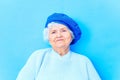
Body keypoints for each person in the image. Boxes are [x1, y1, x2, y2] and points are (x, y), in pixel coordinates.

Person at [16, 13, 101, 80]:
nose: (59, 35)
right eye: (53, 32)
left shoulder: (83, 61)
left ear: (72, 35)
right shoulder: (38, 57)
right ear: (48, 38)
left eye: (63, 30)